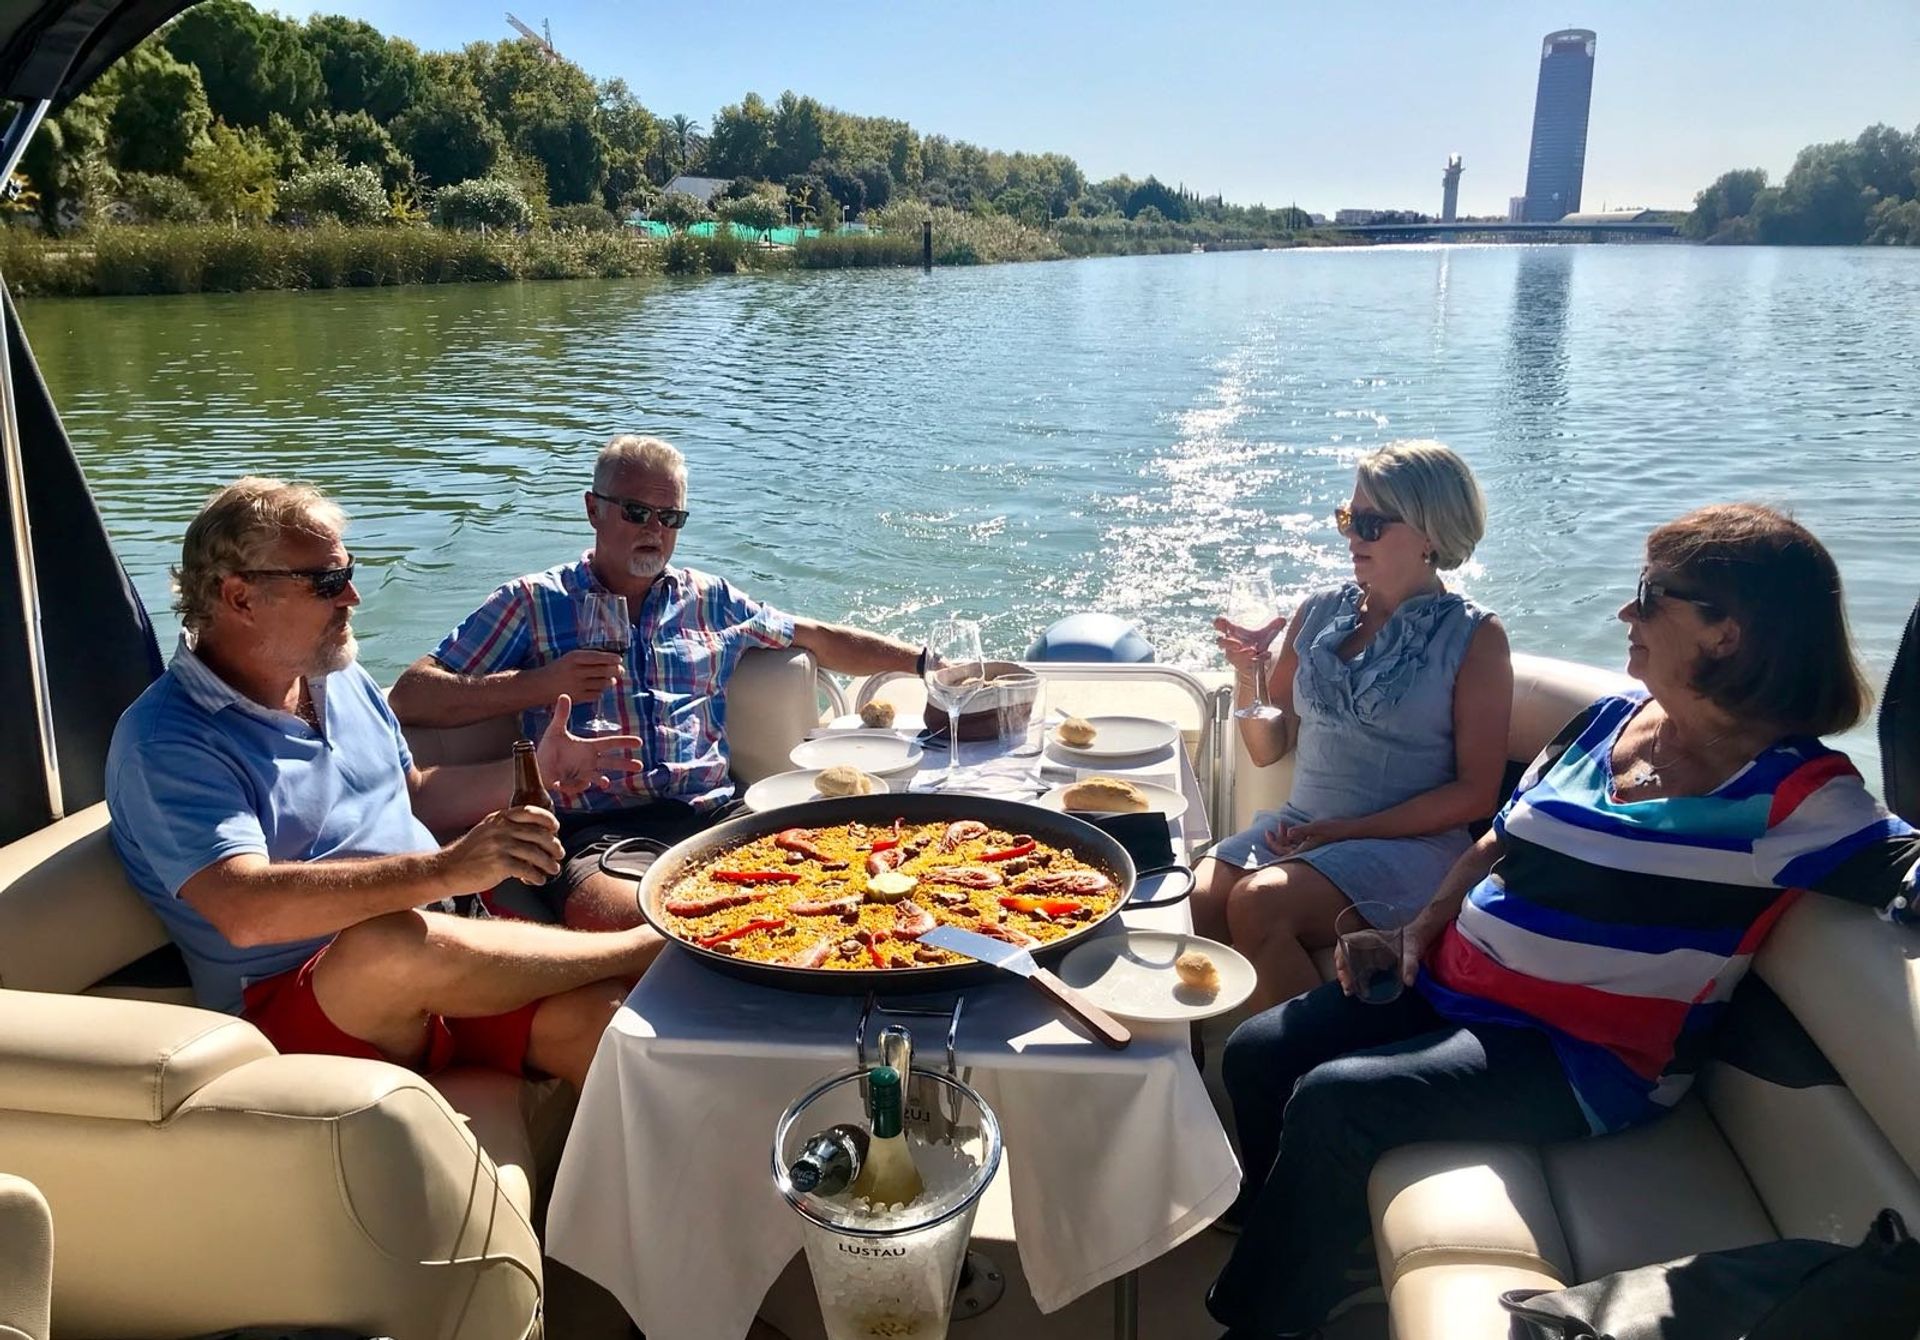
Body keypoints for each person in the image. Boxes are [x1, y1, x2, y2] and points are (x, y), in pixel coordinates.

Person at [1206, 503, 1920, 1339]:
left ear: (1727, 632)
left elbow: (1903, 864)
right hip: (1453, 985)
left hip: (1578, 1055)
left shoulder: (1797, 796)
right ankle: (1298, 1232)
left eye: (1652, 596)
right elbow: (1498, 841)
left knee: (1334, 1102)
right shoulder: (1612, 723)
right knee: (1260, 1052)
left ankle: (1268, 1318)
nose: (1627, 613)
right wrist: (1418, 930)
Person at [107, 478, 657, 1090]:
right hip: (299, 1004)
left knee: (617, 1030)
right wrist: (446, 871)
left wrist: (538, 774)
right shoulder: (167, 739)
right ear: (239, 597)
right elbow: (244, 909)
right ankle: (645, 950)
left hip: (438, 944)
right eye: (325, 582)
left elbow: (414, 795)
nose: (353, 597)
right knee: (387, 944)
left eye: (348, 571)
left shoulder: (338, 677)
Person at [388, 434, 920, 931]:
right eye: (637, 512)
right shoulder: (532, 602)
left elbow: (819, 637)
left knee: (855, 886)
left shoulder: (710, 600)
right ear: (593, 509)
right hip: (594, 831)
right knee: (657, 925)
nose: (654, 530)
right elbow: (412, 695)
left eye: (670, 517)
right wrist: (540, 684)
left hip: (717, 811)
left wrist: (927, 667)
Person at [1195, 441, 1513, 1009]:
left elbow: (1475, 795)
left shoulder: (1475, 639)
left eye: (1370, 523)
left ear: (1431, 534)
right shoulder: (1319, 611)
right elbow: (1269, 748)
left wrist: (1346, 830)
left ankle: (1304, 1074)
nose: (1351, 536)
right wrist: (1248, 676)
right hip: (1302, 828)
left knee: (1258, 902)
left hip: (1408, 847)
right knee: (1192, 900)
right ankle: (1192, 1079)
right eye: (1347, 517)